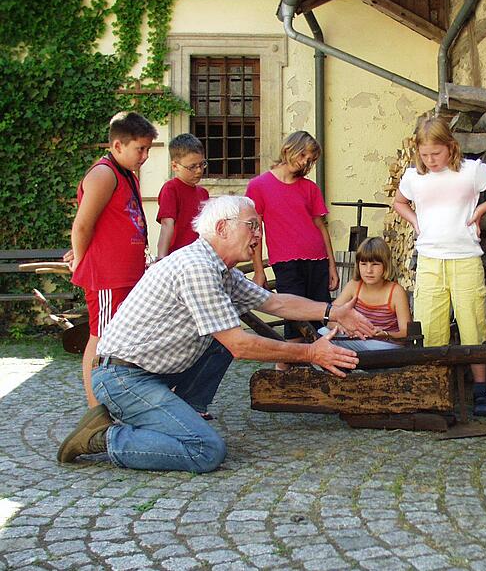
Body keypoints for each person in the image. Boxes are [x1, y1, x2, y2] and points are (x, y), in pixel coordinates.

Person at [57, 196, 376, 472]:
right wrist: (310, 353)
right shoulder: (198, 267)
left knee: (220, 333)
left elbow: (275, 302)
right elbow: (238, 345)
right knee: (206, 451)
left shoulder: (220, 270)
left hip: (147, 374)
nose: (258, 233)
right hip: (122, 379)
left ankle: (182, 411)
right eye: (251, 225)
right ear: (222, 228)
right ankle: (102, 437)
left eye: (258, 226)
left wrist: (333, 311)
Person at [394, 116, 486, 416]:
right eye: (425, 155)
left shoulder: (472, 171)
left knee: (473, 325)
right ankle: (434, 388)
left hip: (465, 258)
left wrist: (479, 211)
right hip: (430, 258)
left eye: (436, 154)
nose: (431, 160)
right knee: (430, 326)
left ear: (450, 147)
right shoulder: (415, 176)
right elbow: (399, 202)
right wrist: (416, 222)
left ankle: (482, 389)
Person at [70, 111, 157, 408]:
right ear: (118, 146)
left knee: (117, 341)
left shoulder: (125, 174)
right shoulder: (104, 173)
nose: (145, 156)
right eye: (140, 149)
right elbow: (82, 225)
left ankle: (113, 401)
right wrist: (83, 262)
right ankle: (96, 409)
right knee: (101, 340)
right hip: (107, 277)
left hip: (124, 275)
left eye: (147, 149)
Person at [245, 131, 338, 369]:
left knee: (320, 316)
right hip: (285, 261)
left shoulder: (310, 188)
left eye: (311, 158)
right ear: (289, 149)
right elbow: (256, 231)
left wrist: (331, 265)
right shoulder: (259, 186)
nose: (307, 161)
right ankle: (282, 369)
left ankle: (321, 367)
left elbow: (321, 226)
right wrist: (259, 270)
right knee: (294, 317)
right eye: (304, 154)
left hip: (317, 258)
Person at [332, 237, 411, 340]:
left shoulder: (396, 292)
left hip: (386, 346)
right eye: (364, 264)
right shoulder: (354, 286)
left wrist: (386, 334)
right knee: (324, 333)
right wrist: (341, 327)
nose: (369, 270)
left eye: (375, 264)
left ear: (385, 266)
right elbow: (330, 316)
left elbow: (407, 332)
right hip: (357, 339)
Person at [156, 133, 210, 259]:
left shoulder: (203, 193)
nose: (198, 170)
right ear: (175, 166)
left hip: (200, 255)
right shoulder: (171, 189)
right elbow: (166, 224)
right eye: (192, 167)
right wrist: (162, 258)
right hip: (178, 257)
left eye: (202, 164)